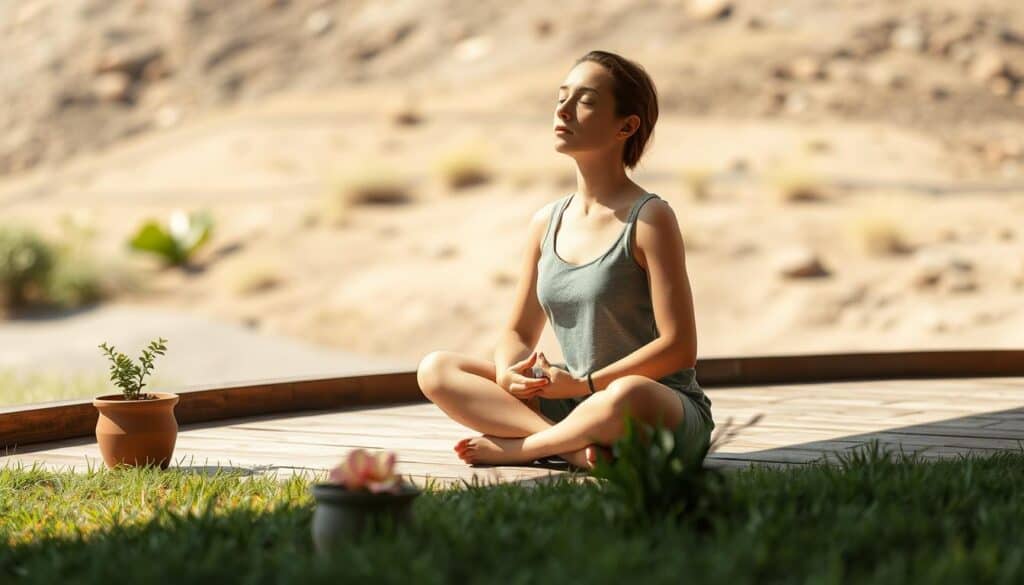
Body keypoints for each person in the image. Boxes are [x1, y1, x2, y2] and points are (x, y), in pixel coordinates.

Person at [416, 50, 715, 471]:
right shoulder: (546, 222)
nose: (564, 110)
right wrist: (508, 372)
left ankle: (525, 448)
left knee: (625, 393)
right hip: (576, 401)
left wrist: (583, 384)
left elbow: (679, 347)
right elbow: (518, 331)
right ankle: (573, 449)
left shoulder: (650, 219)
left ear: (626, 127)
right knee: (437, 369)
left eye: (586, 101)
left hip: (656, 406)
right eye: (562, 97)